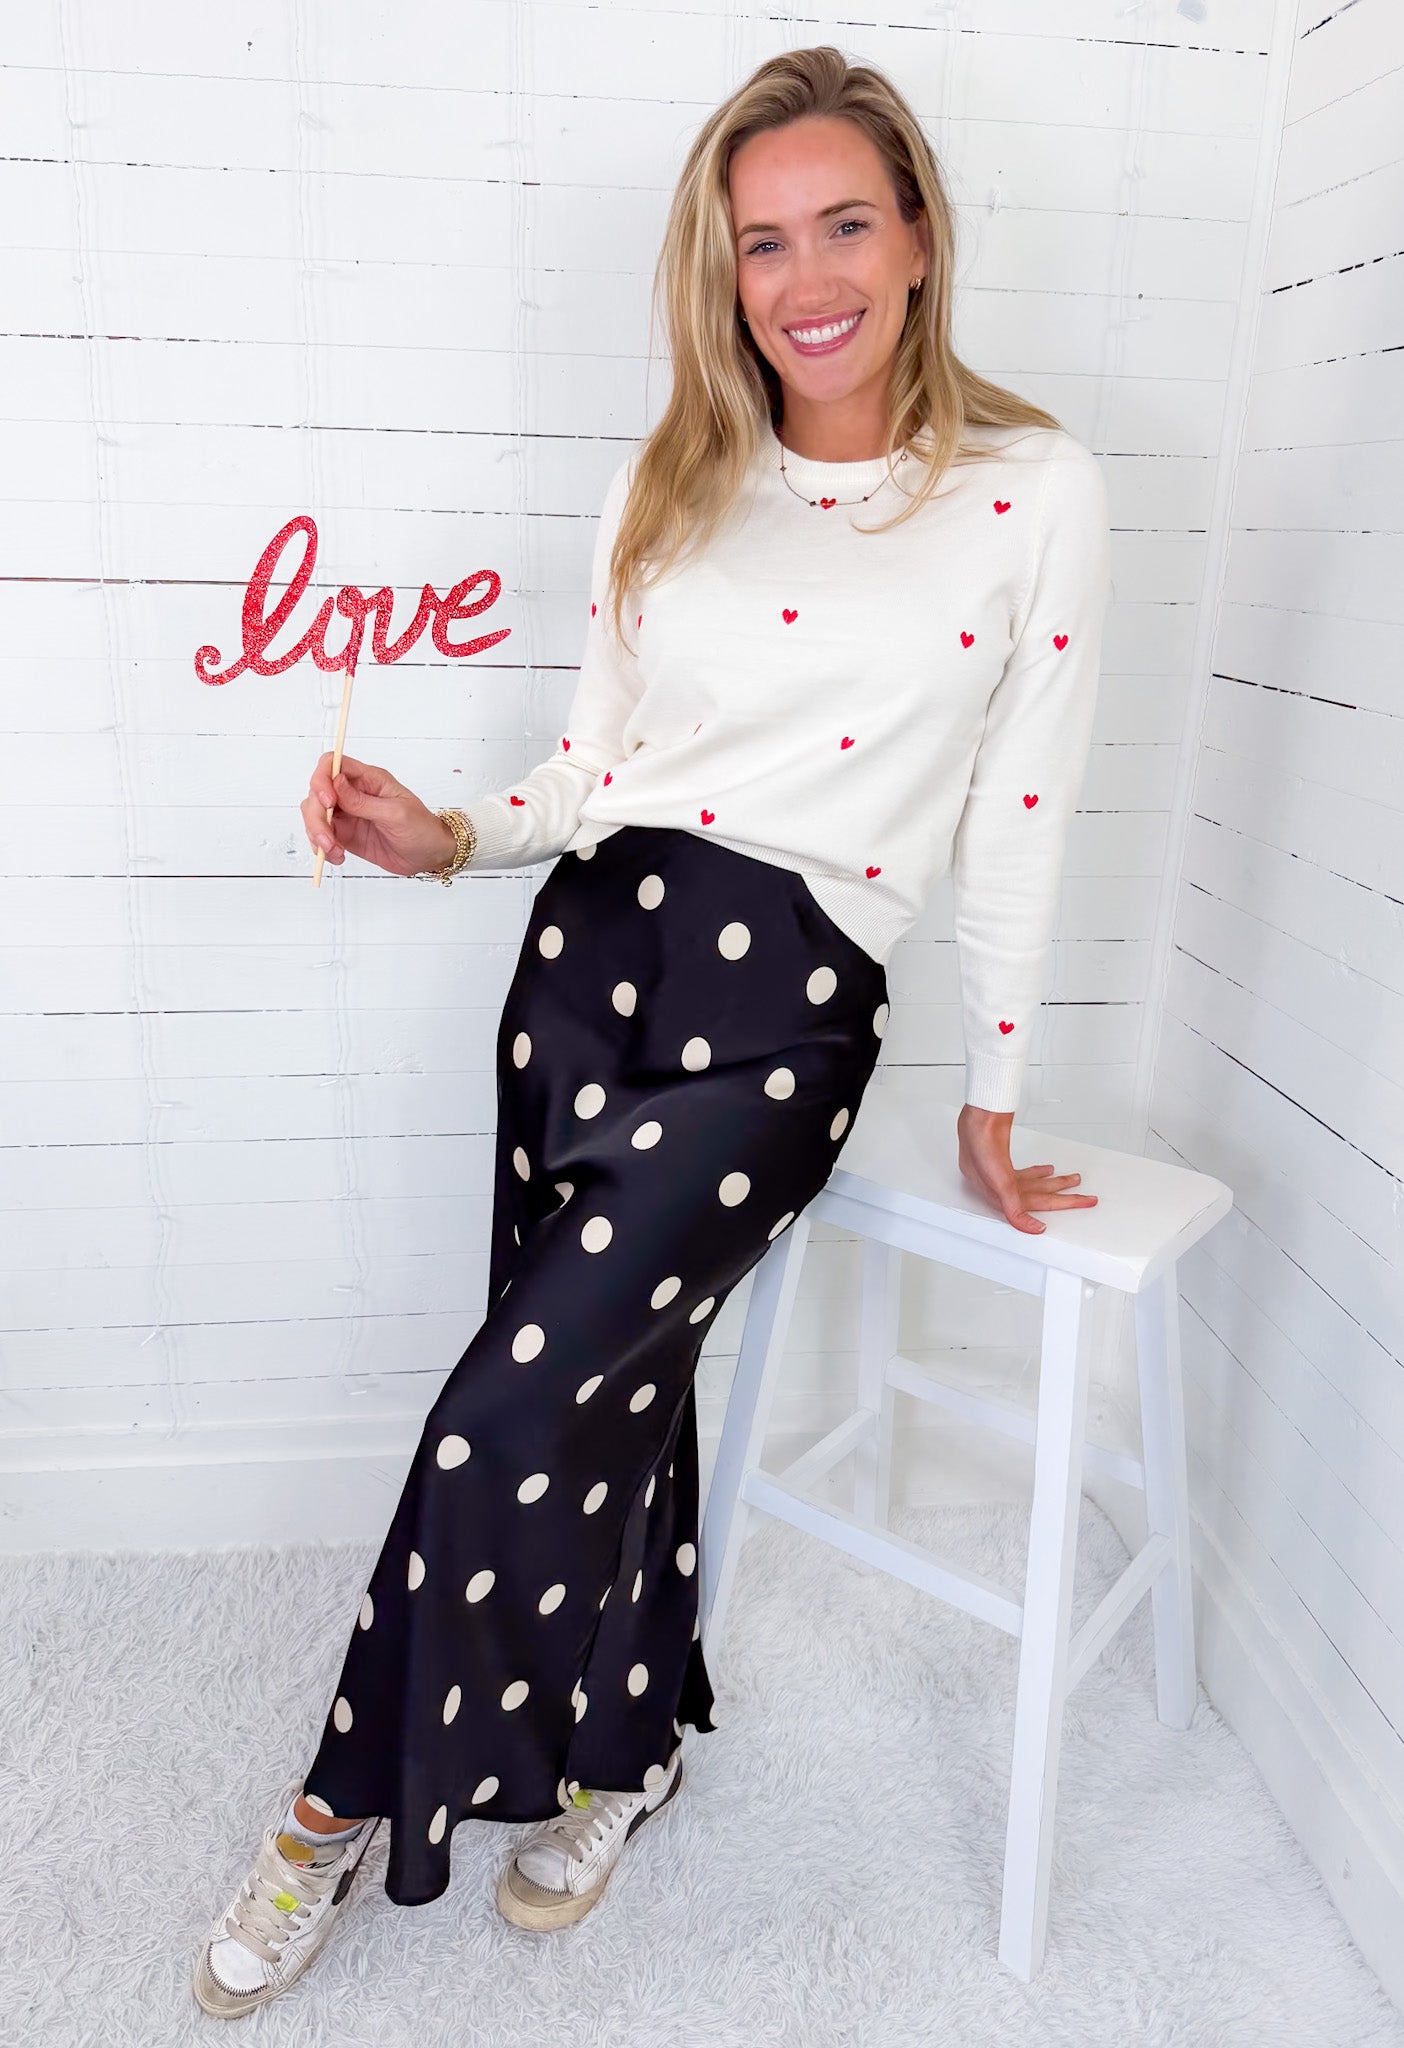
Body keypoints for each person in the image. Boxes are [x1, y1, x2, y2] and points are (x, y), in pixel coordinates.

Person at [193, 42, 1109, 2019]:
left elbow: (1021, 804)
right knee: (605, 1386)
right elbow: (604, 766)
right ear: (726, 268)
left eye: (843, 223)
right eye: (762, 240)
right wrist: (445, 835)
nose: (805, 278)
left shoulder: (1034, 489)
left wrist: (1005, 1089)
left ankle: (322, 1813)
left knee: (503, 1407)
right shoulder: (679, 476)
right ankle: (628, 1744)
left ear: (923, 234)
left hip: (789, 1005)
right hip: (592, 952)